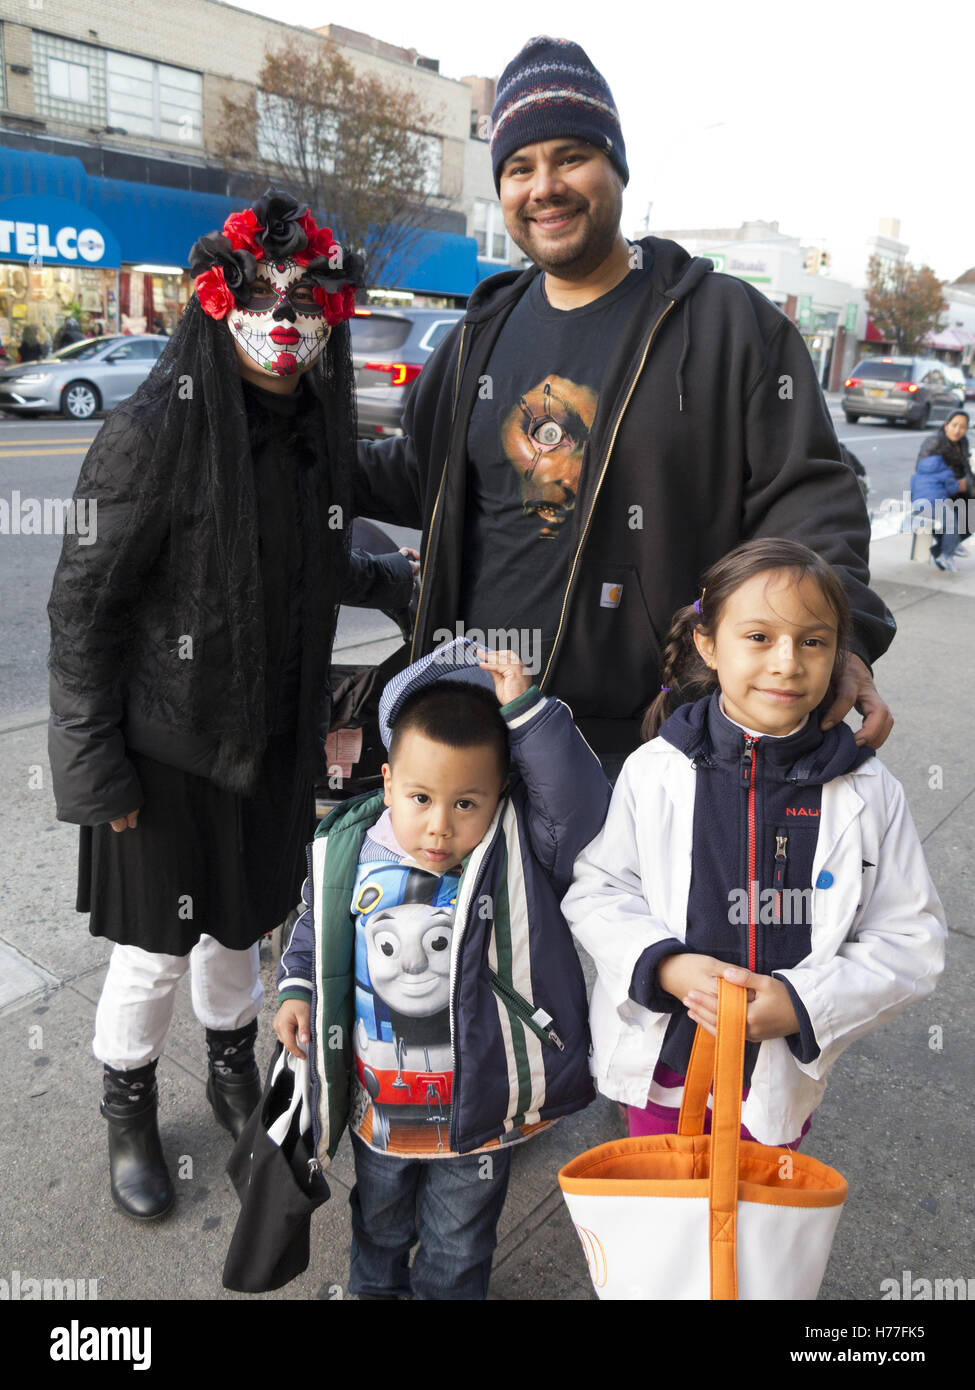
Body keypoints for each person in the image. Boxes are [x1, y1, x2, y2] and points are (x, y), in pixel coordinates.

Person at [353, 37, 896, 777]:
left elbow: (810, 501)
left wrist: (845, 640)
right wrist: (272, 421)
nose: (544, 186)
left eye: (570, 157)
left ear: (616, 168)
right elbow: (415, 476)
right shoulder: (479, 333)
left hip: (652, 739)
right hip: (477, 729)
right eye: (519, 168)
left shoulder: (725, 325)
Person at [47, 188, 417, 1223]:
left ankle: (229, 1070)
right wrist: (95, 770)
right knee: (156, 949)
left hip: (268, 737)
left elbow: (308, 557)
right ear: (219, 299)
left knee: (242, 930)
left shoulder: (312, 430)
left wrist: (394, 580)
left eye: (307, 296)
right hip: (163, 748)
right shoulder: (152, 432)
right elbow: (82, 606)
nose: (284, 315)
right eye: (261, 292)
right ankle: (127, 1103)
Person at [562, 538, 945, 1149]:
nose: (788, 663)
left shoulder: (869, 791)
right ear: (708, 645)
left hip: (773, 1083)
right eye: (759, 637)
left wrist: (802, 1004)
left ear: (841, 656)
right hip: (665, 1067)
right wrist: (665, 964)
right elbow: (599, 889)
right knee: (659, 1207)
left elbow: (911, 938)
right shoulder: (653, 769)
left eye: (813, 641)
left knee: (756, 1222)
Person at [273, 637, 610, 1299]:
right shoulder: (353, 850)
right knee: (377, 1226)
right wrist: (298, 985)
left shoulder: (518, 850)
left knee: (458, 1248)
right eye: (420, 798)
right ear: (388, 783)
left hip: (482, 1109)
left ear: (502, 795)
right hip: (380, 1108)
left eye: (465, 803)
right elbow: (314, 925)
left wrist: (528, 716)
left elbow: (579, 813)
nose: (437, 827)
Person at [916, 411, 971, 555]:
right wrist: (956, 483)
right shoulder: (934, 442)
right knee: (956, 515)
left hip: (954, 490)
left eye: (962, 427)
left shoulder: (963, 442)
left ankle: (950, 544)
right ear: (946, 425)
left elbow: (965, 469)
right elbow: (923, 472)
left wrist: (969, 484)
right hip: (934, 493)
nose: (957, 430)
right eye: (954, 425)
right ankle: (945, 549)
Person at [910, 445, 965, 571]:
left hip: (918, 507)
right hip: (936, 505)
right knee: (953, 525)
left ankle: (952, 545)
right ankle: (946, 554)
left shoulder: (918, 473)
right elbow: (953, 489)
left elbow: (913, 490)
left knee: (946, 524)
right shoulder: (946, 473)